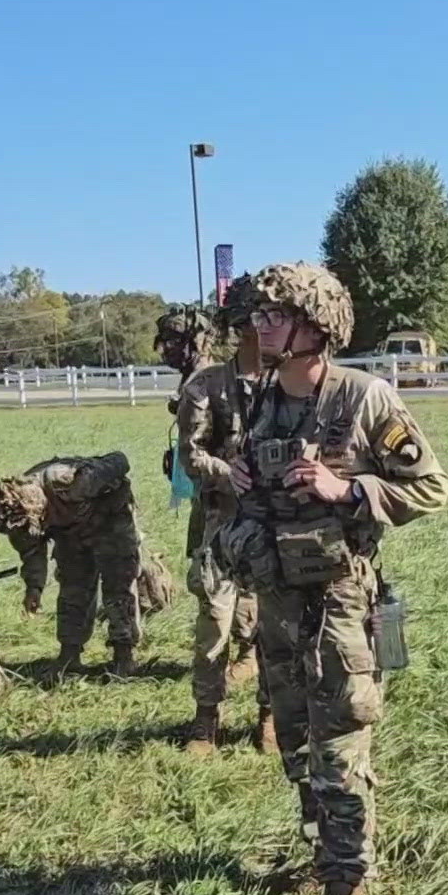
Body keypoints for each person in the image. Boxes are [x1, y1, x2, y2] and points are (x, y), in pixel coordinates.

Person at [214, 261, 448, 895]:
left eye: (276, 314)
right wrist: (239, 505)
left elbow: (432, 486)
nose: (261, 324)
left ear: (318, 326)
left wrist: (346, 489)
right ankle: (325, 857)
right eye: (257, 314)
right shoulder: (258, 403)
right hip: (277, 603)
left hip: (343, 608)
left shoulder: (365, 398)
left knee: (342, 754)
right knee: (295, 744)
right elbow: (237, 502)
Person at [169, 293, 267, 754]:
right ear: (240, 328)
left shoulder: (289, 384)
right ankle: (206, 719)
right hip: (222, 527)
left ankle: (270, 718)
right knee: (215, 622)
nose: (265, 328)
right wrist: (229, 474)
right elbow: (190, 455)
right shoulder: (207, 386)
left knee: (273, 626)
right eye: (257, 321)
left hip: (275, 527)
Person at [0, 452, 144, 679]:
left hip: (110, 521)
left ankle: (124, 655)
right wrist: (34, 588)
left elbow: (121, 460)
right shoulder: (15, 516)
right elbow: (32, 551)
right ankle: (70, 655)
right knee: (72, 589)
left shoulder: (65, 480)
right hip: (70, 533)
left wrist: (93, 475)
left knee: (118, 588)